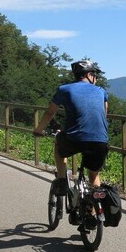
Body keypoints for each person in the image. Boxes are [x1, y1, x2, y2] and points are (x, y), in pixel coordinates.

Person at [34, 60, 109, 194]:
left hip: (74, 139)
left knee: (59, 142)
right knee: (94, 175)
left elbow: (50, 112)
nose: (96, 78)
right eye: (95, 75)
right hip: (100, 140)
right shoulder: (101, 91)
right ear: (89, 75)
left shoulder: (64, 89)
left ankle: (62, 180)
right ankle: (95, 211)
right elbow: (103, 115)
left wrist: (39, 130)